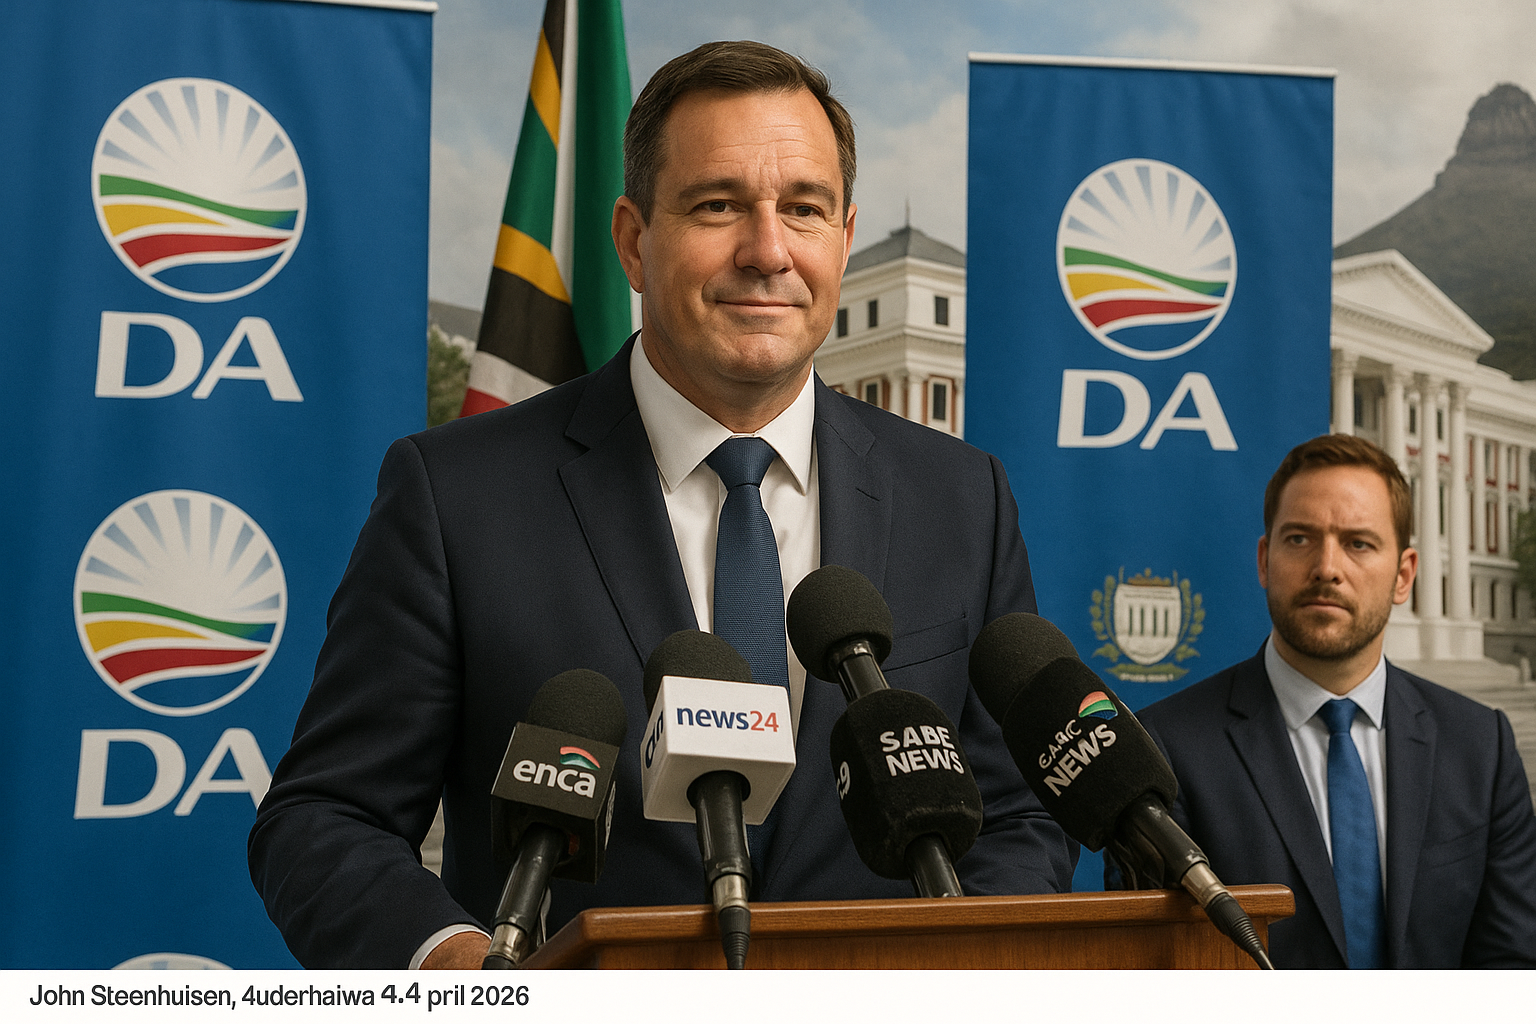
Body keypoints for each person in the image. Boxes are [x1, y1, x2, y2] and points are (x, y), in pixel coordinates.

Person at [249, 40, 1075, 970]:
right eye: (718, 205)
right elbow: (326, 818)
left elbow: (1020, 813)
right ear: (634, 241)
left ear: (844, 239)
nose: (768, 252)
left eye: (804, 209)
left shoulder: (962, 497)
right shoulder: (455, 497)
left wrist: (963, 969)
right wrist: (466, 975)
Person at [1116, 434, 1536, 968]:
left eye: (1359, 543)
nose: (1327, 567)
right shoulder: (1165, 749)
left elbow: (1512, 969)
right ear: (1265, 560)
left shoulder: (1481, 747)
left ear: (1404, 575)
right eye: (1299, 539)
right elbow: (1159, 972)